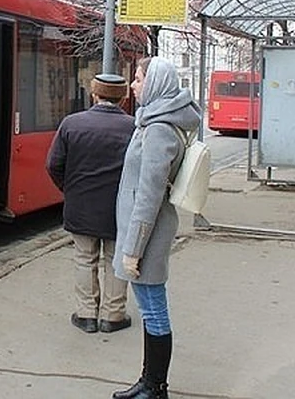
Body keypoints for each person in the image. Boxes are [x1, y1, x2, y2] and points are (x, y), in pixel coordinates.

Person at [111, 57, 202, 399]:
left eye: (138, 78)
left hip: (147, 236)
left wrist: (132, 250)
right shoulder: (153, 120)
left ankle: (155, 387)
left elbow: (148, 196)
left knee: (154, 310)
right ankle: (148, 382)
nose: (133, 85)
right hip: (144, 232)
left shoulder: (160, 129)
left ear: (156, 82)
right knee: (151, 310)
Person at [46, 73, 136, 335]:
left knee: (84, 259)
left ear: (94, 95)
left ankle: (86, 314)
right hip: (118, 209)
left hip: (81, 206)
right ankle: (113, 315)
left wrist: (70, 189)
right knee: (114, 260)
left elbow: (53, 164)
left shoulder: (72, 124)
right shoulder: (133, 127)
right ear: (122, 98)